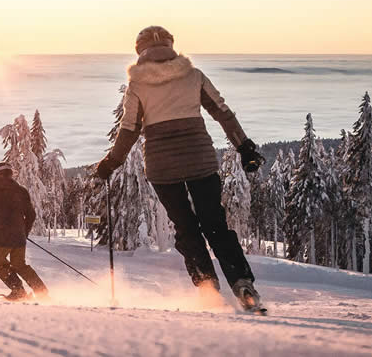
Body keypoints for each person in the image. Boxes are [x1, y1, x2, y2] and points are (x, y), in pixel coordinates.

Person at [96, 26, 266, 311]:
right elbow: (223, 113)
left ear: (140, 50)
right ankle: (242, 284)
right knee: (215, 225)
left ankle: (207, 288)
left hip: (163, 170)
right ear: (171, 46)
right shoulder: (193, 76)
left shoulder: (137, 86)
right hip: (200, 162)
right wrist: (245, 148)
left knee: (186, 229)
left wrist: (111, 162)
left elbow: (128, 130)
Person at [0, 162, 49, 301]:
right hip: (18, 237)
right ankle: (42, 292)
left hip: (1, 238)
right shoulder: (21, 191)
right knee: (20, 265)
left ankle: (18, 291)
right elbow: (31, 215)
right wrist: (24, 232)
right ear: (10, 174)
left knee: (0, 265)